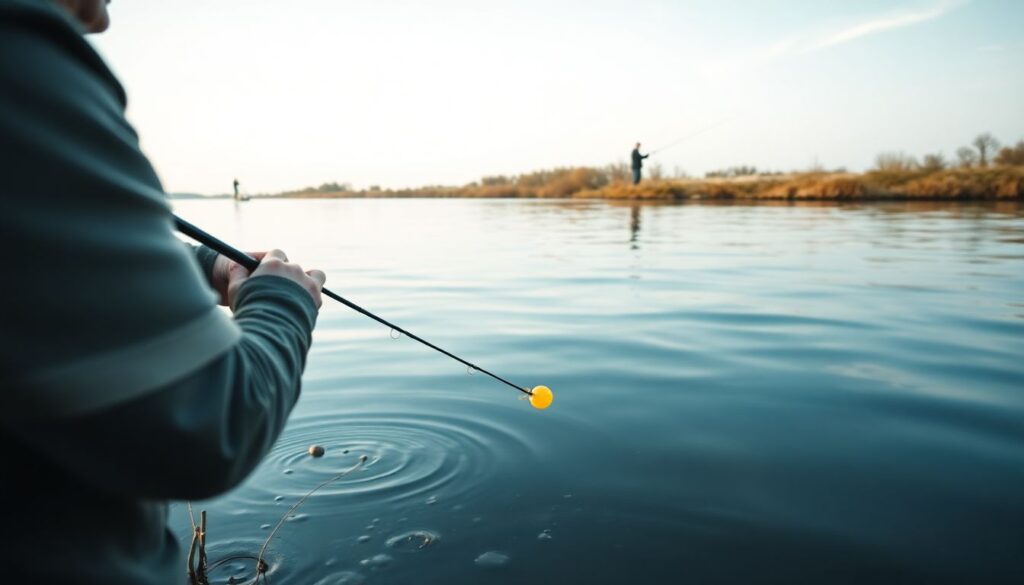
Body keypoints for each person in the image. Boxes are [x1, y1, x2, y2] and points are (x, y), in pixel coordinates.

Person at [1, 1, 326, 583]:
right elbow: (210, 429)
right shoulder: (17, 58)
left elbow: (41, 246)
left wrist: (207, 265)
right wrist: (283, 303)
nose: (100, 19)